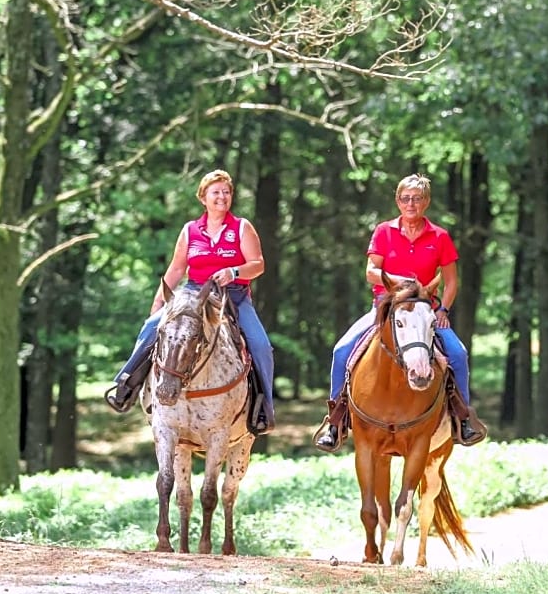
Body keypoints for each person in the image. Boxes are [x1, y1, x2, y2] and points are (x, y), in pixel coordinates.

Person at [315, 173, 484, 450]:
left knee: (458, 354)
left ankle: (462, 418)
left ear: (426, 202)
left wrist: (443, 309)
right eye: (405, 198)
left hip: (425, 313)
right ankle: (335, 420)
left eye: (417, 199)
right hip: (386, 309)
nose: (411, 204)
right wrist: (398, 280)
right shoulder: (384, 231)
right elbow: (371, 271)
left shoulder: (439, 236)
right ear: (397, 201)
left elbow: (451, 281)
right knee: (342, 349)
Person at [107, 169, 275, 433]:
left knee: (261, 345)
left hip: (232, 296)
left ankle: (263, 408)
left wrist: (233, 272)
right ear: (203, 197)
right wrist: (158, 303)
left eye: (227, 192)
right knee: (151, 327)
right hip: (193, 293)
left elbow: (258, 265)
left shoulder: (242, 227)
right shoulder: (190, 230)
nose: (222, 197)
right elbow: (175, 270)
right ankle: (126, 385)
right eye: (216, 192)